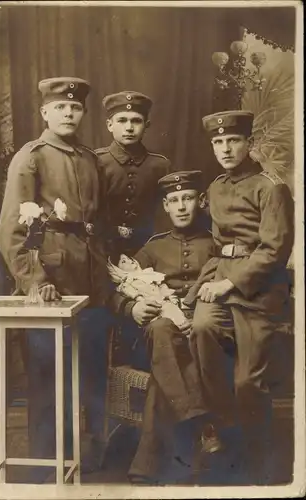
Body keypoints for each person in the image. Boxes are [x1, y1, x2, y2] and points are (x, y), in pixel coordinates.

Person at [0, 77, 111, 481]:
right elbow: (12, 229)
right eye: (60, 107)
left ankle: (90, 461)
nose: (68, 113)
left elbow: (97, 223)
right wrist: (34, 280)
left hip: (93, 280)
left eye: (75, 107)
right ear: (44, 111)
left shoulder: (88, 157)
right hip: (52, 282)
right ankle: (45, 468)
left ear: (82, 113)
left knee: (93, 370)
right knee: (48, 377)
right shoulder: (31, 156)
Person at [185, 110, 294, 484]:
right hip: (220, 278)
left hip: (258, 289)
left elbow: (274, 250)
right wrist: (207, 282)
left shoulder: (270, 188)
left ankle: (259, 455)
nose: (225, 148)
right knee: (201, 327)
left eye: (233, 141)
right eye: (218, 142)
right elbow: (217, 246)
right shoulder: (215, 188)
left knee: (248, 382)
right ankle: (224, 437)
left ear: (248, 143)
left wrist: (229, 285)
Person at [109, 170, 216, 484]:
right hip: (154, 339)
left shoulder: (215, 243)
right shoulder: (152, 248)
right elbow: (117, 291)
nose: (182, 206)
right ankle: (201, 421)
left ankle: (146, 465)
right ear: (166, 207)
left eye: (188, 198)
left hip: (199, 340)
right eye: (174, 200)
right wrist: (134, 308)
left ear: (200, 202)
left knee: (164, 371)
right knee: (160, 330)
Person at [96, 90, 171, 262]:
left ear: (147, 125)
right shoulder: (96, 162)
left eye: (136, 121)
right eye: (122, 120)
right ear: (109, 125)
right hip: (103, 249)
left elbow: (166, 215)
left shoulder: (160, 165)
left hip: (149, 250)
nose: (129, 128)